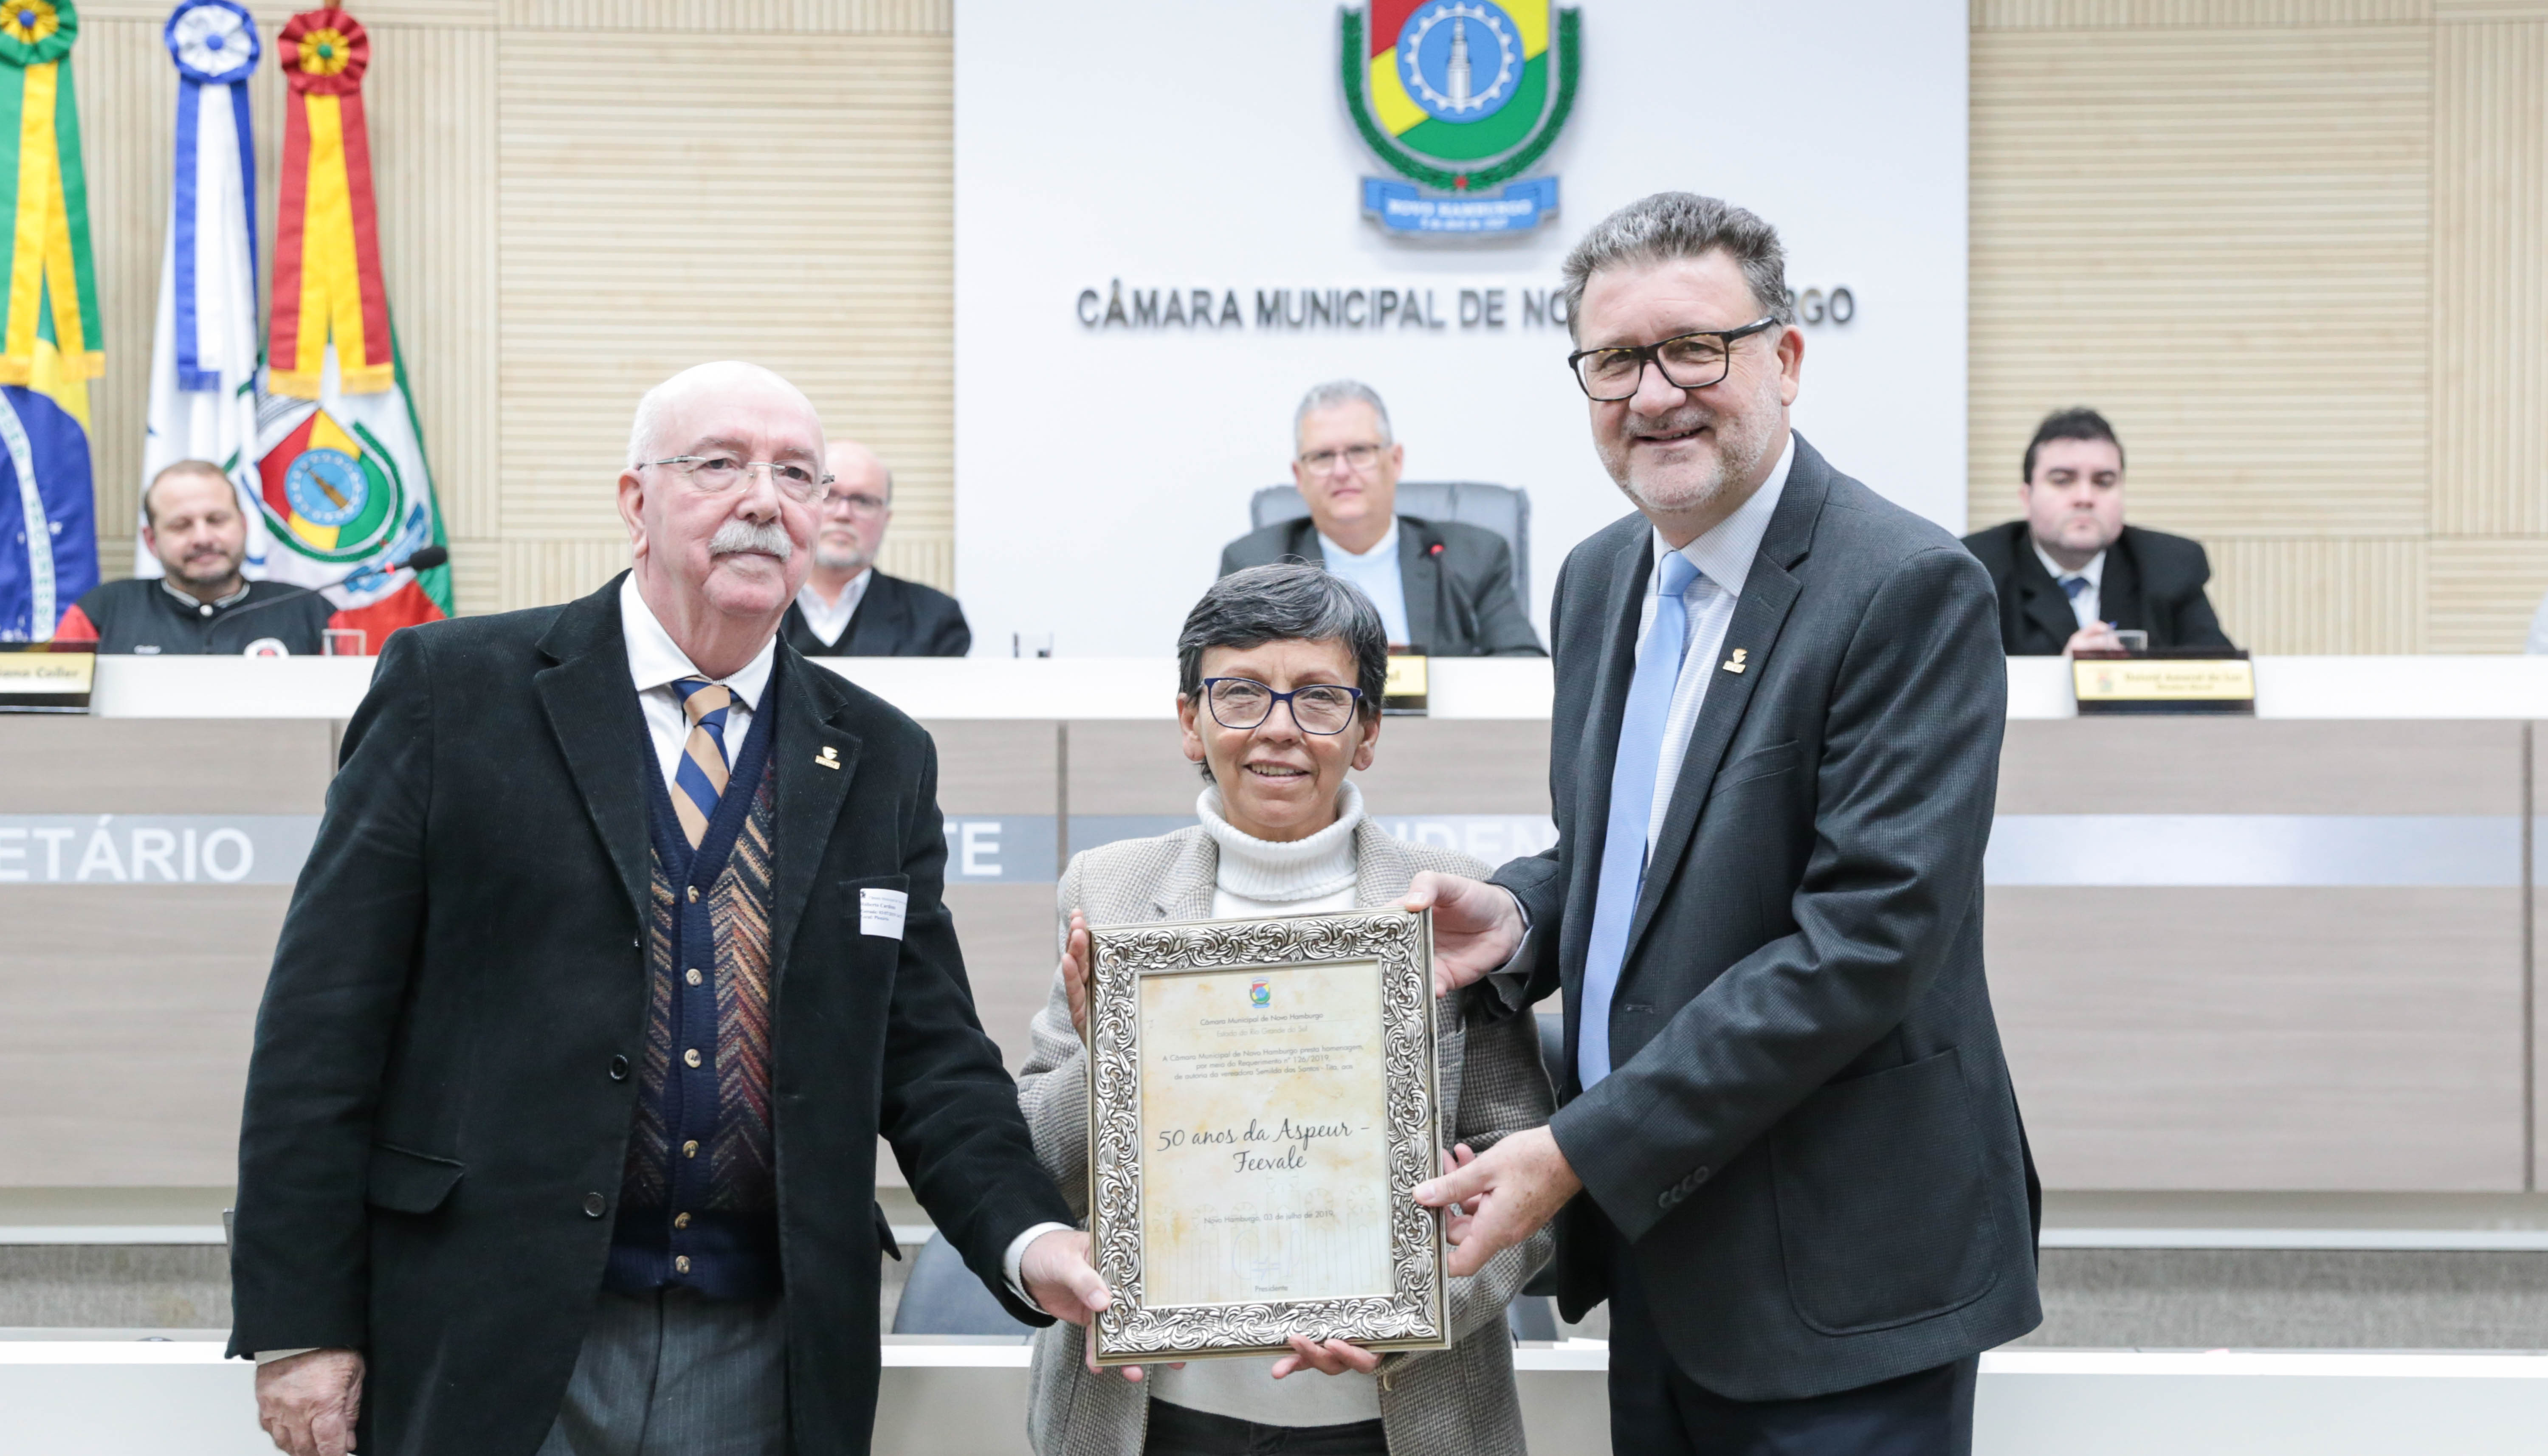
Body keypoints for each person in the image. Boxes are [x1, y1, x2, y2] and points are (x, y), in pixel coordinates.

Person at [228, 362, 1111, 1456]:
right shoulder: (456, 690)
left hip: (768, 1347)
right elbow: (324, 1020)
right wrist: (300, 1319)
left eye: (798, 473)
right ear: (636, 502)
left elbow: (926, 1053)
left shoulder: (880, 754)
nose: (763, 497)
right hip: (493, 1322)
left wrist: (1031, 1238)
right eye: (719, 464)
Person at [1404, 193, 2042, 1455]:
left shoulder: (1903, 589)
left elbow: (1862, 941)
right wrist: (1525, 908)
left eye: (1694, 348)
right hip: (1665, 1248)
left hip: (1843, 1269)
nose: (1654, 395)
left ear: (1784, 359)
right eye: (1614, 361)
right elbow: (1636, 852)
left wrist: (1572, 1151)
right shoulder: (1597, 579)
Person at [1013, 563, 1553, 1456]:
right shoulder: (1107, 891)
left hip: (1400, 1417)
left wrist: (1418, 1311)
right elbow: (1035, 1162)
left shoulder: (1452, 903)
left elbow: (1524, 1169)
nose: (1278, 729)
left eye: (1319, 698)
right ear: (1190, 720)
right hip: (1156, 1419)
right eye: (1240, 694)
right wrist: (1106, 1054)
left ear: (1369, 729)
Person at [1218, 380, 1543, 657]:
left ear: (1395, 460)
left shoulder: (1470, 557)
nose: (1342, 471)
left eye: (1359, 451)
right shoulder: (1255, 566)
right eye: (1322, 457)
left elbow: (1521, 667)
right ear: (1299, 476)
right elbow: (1220, 673)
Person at [1961, 408, 2232, 656]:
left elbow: (2221, 682)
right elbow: (1956, 692)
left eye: (2103, 482)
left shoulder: (2171, 566)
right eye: (2062, 481)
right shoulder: (1976, 570)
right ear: (2026, 497)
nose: (2085, 497)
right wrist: (2061, 679)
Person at [54, 461, 346, 655]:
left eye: (217, 520)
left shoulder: (313, 613)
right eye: (181, 525)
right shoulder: (100, 613)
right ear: (151, 540)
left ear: (243, 525)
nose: (203, 538)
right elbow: (56, 721)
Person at [778, 439, 971, 657]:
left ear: (886, 519)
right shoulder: (752, 605)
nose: (843, 514)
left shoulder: (935, 617)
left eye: (863, 501)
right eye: (829, 496)